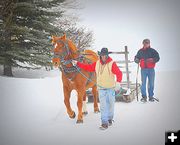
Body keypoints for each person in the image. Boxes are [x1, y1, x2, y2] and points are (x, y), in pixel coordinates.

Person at [72, 48, 122, 130]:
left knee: (110, 106)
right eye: (102, 55)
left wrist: (118, 83)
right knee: (103, 106)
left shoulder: (112, 63)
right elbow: (87, 67)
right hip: (101, 89)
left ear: (107, 55)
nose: (104, 57)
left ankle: (110, 119)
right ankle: (104, 123)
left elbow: (119, 73)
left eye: (105, 55)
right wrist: (77, 63)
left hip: (110, 89)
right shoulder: (97, 64)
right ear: (100, 55)